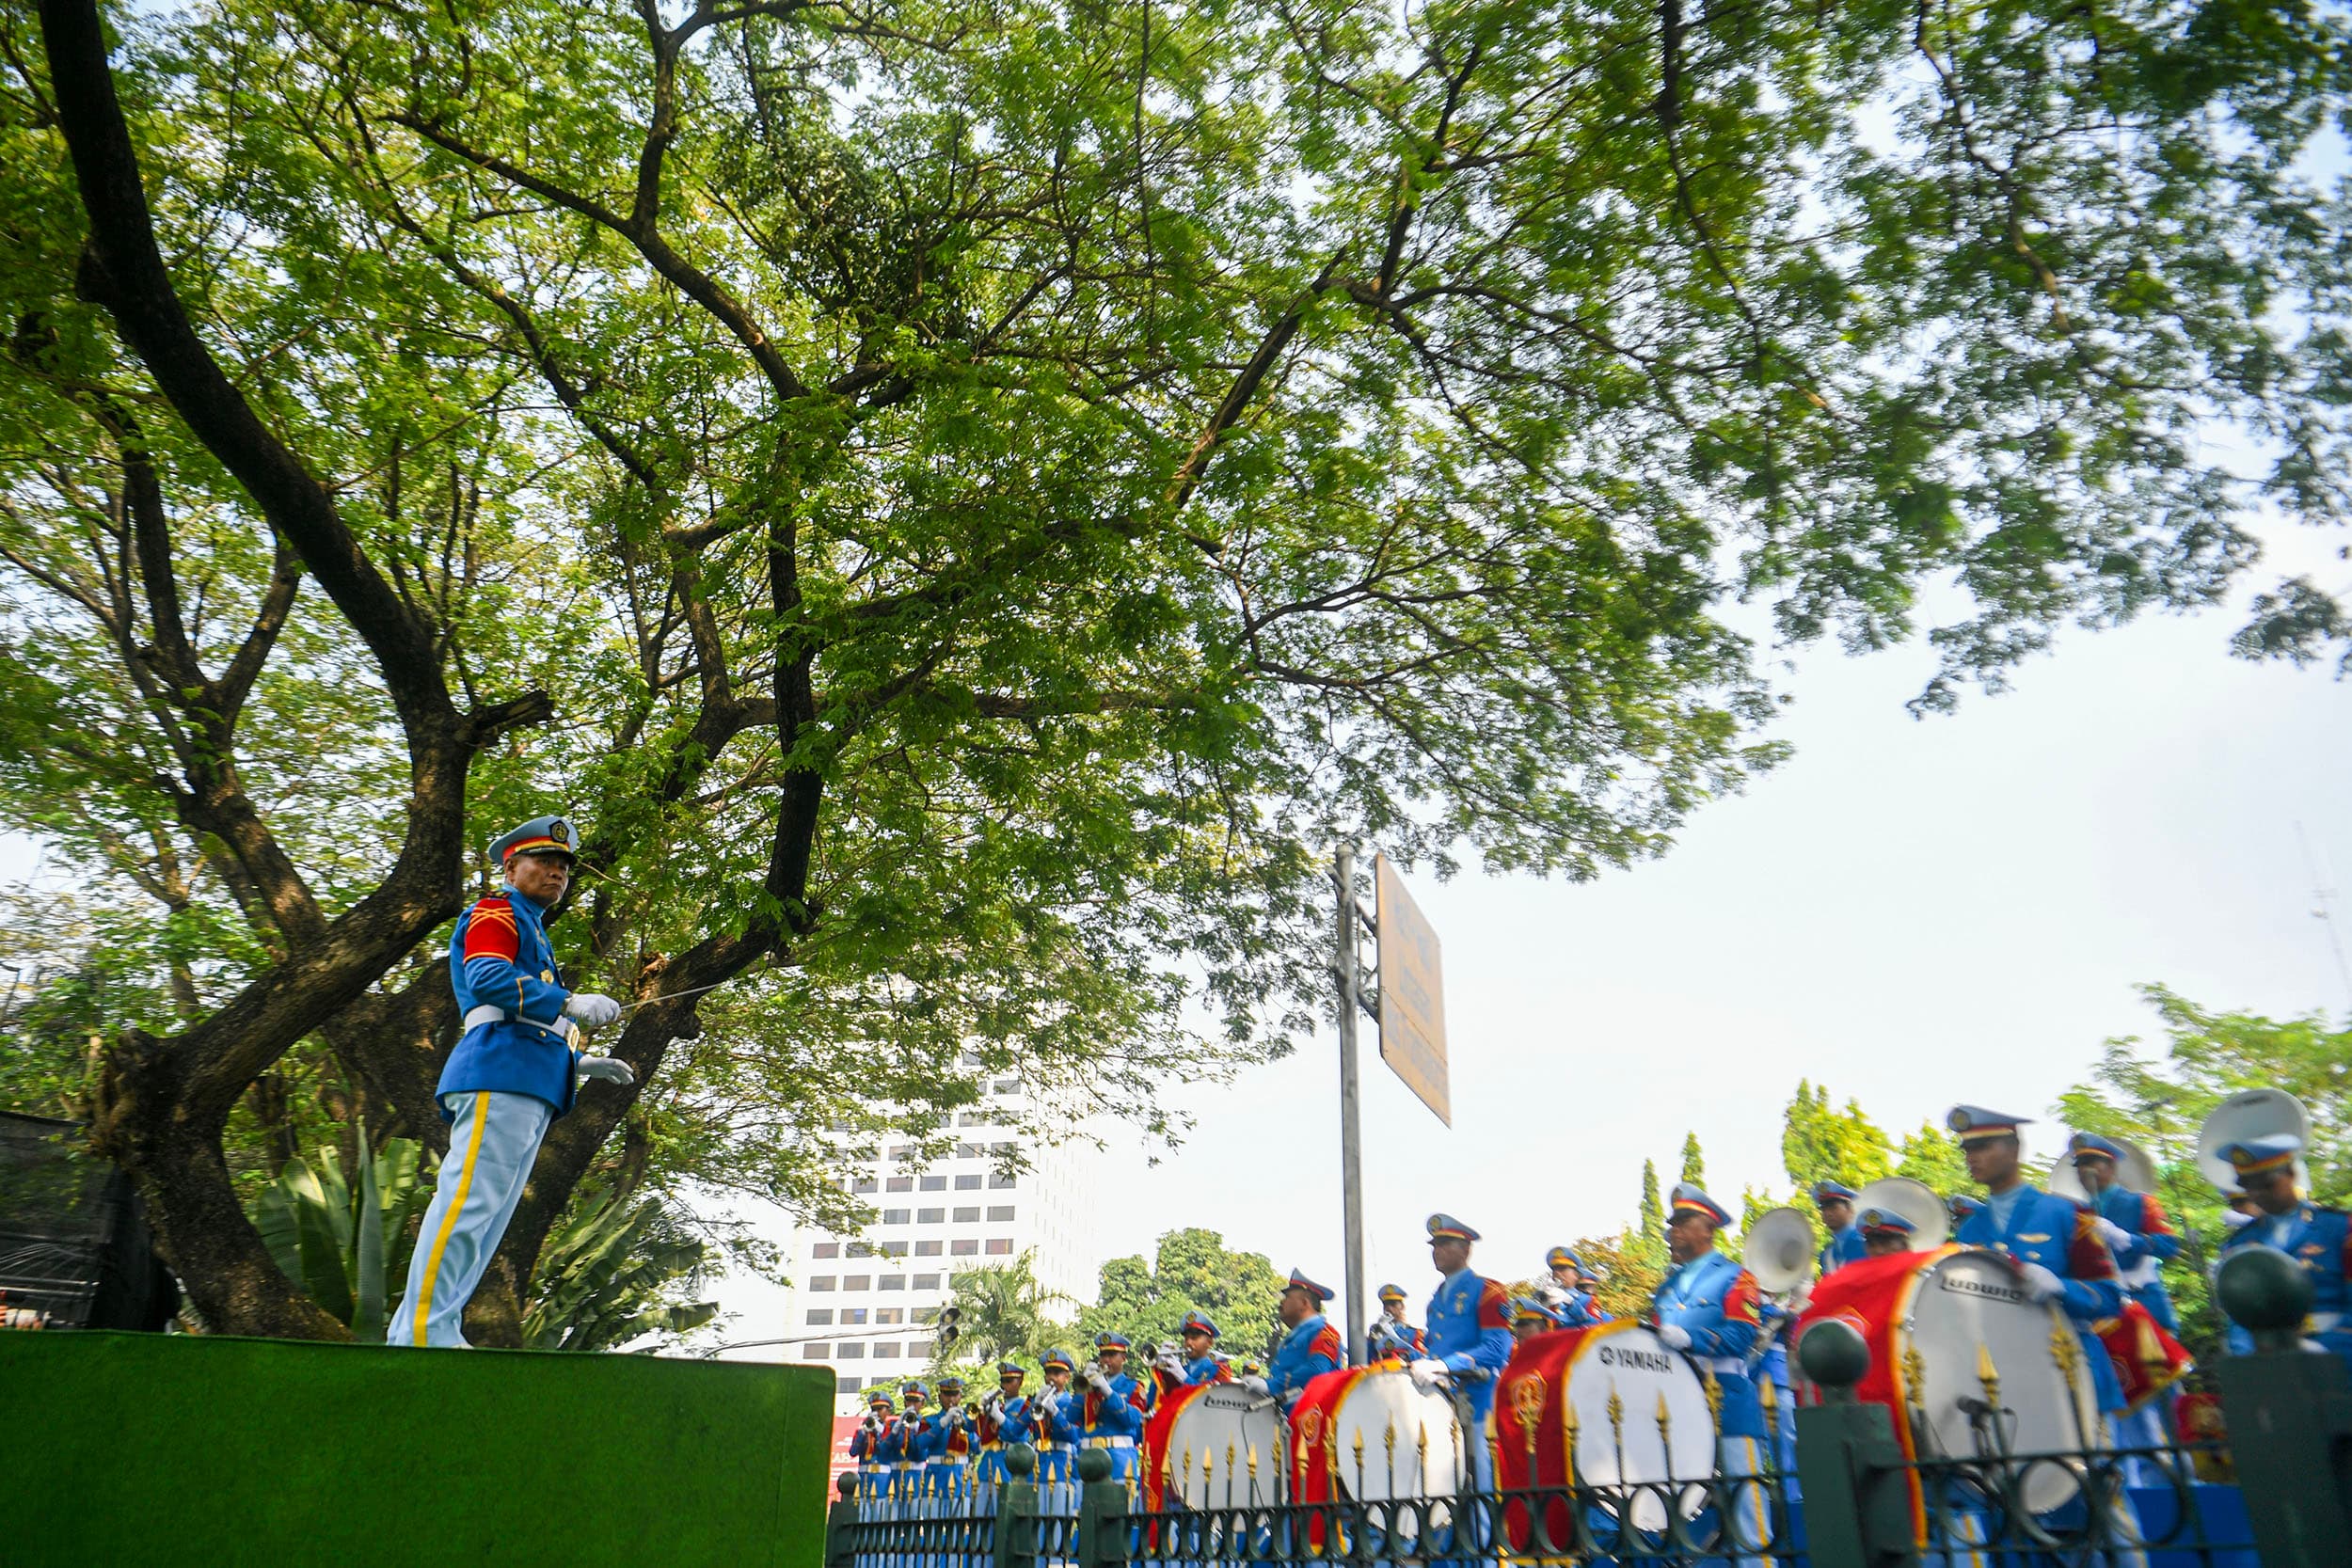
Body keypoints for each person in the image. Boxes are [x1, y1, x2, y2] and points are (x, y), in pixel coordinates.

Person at [389, 816, 633, 1348]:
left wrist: (579, 1063)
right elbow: (488, 979)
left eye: (564, 866)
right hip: (498, 1070)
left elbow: (532, 1020)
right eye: (544, 861)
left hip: (527, 1077)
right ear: (510, 867)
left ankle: (438, 1328)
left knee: (489, 1217)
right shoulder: (498, 910)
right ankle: (420, 1335)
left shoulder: (532, 928)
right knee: (468, 1205)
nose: (557, 873)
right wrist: (567, 1002)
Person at [1946, 1107, 2132, 1418]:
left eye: (1982, 1147)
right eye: (1967, 1149)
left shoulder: (2069, 1214)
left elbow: (2112, 1298)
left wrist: (2063, 1288)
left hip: (2071, 1369)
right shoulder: (1969, 1230)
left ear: (2015, 1148)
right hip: (2007, 1381)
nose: (1971, 1157)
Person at [1651, 1183, 1770, 1561]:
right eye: (1673, 1224)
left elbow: (1742, 1334)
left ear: (1708, 1229)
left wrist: (1690, 1337)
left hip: (1727, 1400)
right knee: (1682, 1503)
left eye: (1685, 1222)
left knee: (1746, 1502)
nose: (1674, 1230)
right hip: (1678, 1405)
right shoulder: (1667, 1288)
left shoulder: (1737, 1276)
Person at [2214, 1133, 2352, 1369]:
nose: (2257, 1194)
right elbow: (2239, 1318)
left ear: (2291, 1174)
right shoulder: (2239, 1243)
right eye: (2249, 1187)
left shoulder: (2340, 1227)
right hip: (2270, 1366)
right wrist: (2248, 1363)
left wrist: (2324, 1349)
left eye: (2266, 1184)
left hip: (2338, 1359)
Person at [1411, 1213, 1513, 1494]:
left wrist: (1444, 1365)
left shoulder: (1488, 1291)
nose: (1437, 1251)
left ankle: (1489, 1539)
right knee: (1444, 1486)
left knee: (1482, 1482)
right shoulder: (1435, 1301)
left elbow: (1497, 1348)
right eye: (1434, 1245)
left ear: (1466, 1250)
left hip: (1479, 1401)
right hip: (1441, 1401)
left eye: (1445, 1243)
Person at [1250, 1269, 1343, 1411]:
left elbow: (1317, 1371)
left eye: (1287, 1297)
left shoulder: (1325, 1332)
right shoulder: (1297, 1335)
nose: (1281, 1302)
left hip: (1313, 1423)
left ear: (1304, 1303)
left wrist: (1271, 1386)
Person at [1076, 1332, 1149, 1481]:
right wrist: (1083, 1388)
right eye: (1103, 1355)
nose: (1106, 1360)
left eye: (1111, 1355)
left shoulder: (1133, 1387)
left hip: (1119, 1459)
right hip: (1088, 1459)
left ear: (1123, 1358)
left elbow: (1134, 1419)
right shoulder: (1091, 1386)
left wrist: (1108, 1391)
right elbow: (1072, 1416)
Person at [976, 1363, 1037, 1488]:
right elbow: (978, 1432)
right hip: (989, 1462)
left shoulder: (1025, 1406)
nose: (1004, 1386)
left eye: (1009, 1381)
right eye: (1002, 1381)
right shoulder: (998, 1406)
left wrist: (999, 1416)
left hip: (1010, 1463)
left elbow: (1017, 1436)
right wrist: (984, 1412)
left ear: (1020, 1382)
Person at [1035, 1348, 1080, 1488]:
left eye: (1056, 1373)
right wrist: (1035, 1403)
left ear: (1067, 1377)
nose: (1051, 1377)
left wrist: (1054, 1411)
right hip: (1040, 1461)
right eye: (1048, 1373)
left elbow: (1073, 1436)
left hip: (1062, 1462)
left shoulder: (1072, 1403)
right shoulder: (1039, 1401)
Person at [928, 1374, 976, 1498]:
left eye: (955, 1395)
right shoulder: (930, 1420)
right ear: (939, 1397)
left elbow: (978, 1448)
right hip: (936, 1473)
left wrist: (962, 1429)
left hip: (960, 1473)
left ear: (960, 1396)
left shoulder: (968, 1421)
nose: (951, 1399)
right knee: (934, 1514)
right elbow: (922, 1443)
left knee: (960, 1515)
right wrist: (943, 1423)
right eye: (947, 1395)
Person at [1540, 1245, 1611, 1328]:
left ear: (1576, 1275)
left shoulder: (1586, 1299)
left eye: (1562, 1269)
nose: (1557, 1273)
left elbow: (1596, 1326)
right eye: (1554, 1270)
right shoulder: (1548, 1299)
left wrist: (1571, 1303)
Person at [882, 1380, 930, 1500]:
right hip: (895, 1475)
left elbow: (921, 1455)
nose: (912, 1405)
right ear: (904, 1402)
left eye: (916, 1401)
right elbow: (883, 1451)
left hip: (916, 1476)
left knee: (913, 1515)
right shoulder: (893, 1424)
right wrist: (896, 1430)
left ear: (923, 1403)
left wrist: (914, 1431)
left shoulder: (926, 1424)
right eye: (909, 1401)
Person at [1811, 1180, 1864, 1277]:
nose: (1828, 1213)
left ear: (1850, 1210)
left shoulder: (1866, 1243)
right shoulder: (1826, 1254)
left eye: (1833, 1207)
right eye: (1824, 1209)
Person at [851, 1390, 898, 1499]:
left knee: (880, 1510)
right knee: (863, 1511)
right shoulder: (862, 1431)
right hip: (864, 1477)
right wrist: (863, 1432)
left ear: (888, 1411)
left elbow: (891, 1446)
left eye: (880, 1409)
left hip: (882, 1477)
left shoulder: (892, 1430)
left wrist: (880, 1430)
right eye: (874, 1409)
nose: (876, 1413)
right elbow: (853, 1452)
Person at [1370, 1282, 1425, 1359]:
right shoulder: (1377, 1331)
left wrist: (1405, 1356)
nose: (1388, 1308)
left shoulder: (1416, 1333)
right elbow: (1366, 1358)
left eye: (1393, 1304)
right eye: (1385, 1304)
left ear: (1402, 1306)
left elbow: (1425, 1357)